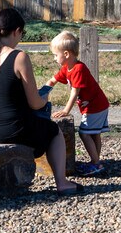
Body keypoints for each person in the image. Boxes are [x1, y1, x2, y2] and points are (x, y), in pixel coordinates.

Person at [0, 8, 83, 196]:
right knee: (53, 131)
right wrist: (44, 97)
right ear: (16, 31)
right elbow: (35, 103)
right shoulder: (19, 57)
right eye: (21, 34)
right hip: (10, 130)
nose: (20, 38)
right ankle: (62, 183)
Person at [46, 31, 110, 176]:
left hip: (95, 106)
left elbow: (74, 92)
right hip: (96, 105)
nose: (54, 58)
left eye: (56, 55)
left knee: (84, 133)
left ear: (66, 54)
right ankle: (96, 161)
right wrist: (44, 90)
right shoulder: (67, 68)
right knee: (94, 133)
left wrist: (66, 111)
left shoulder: (78, 69)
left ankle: (96, 164)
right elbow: (53, 80)